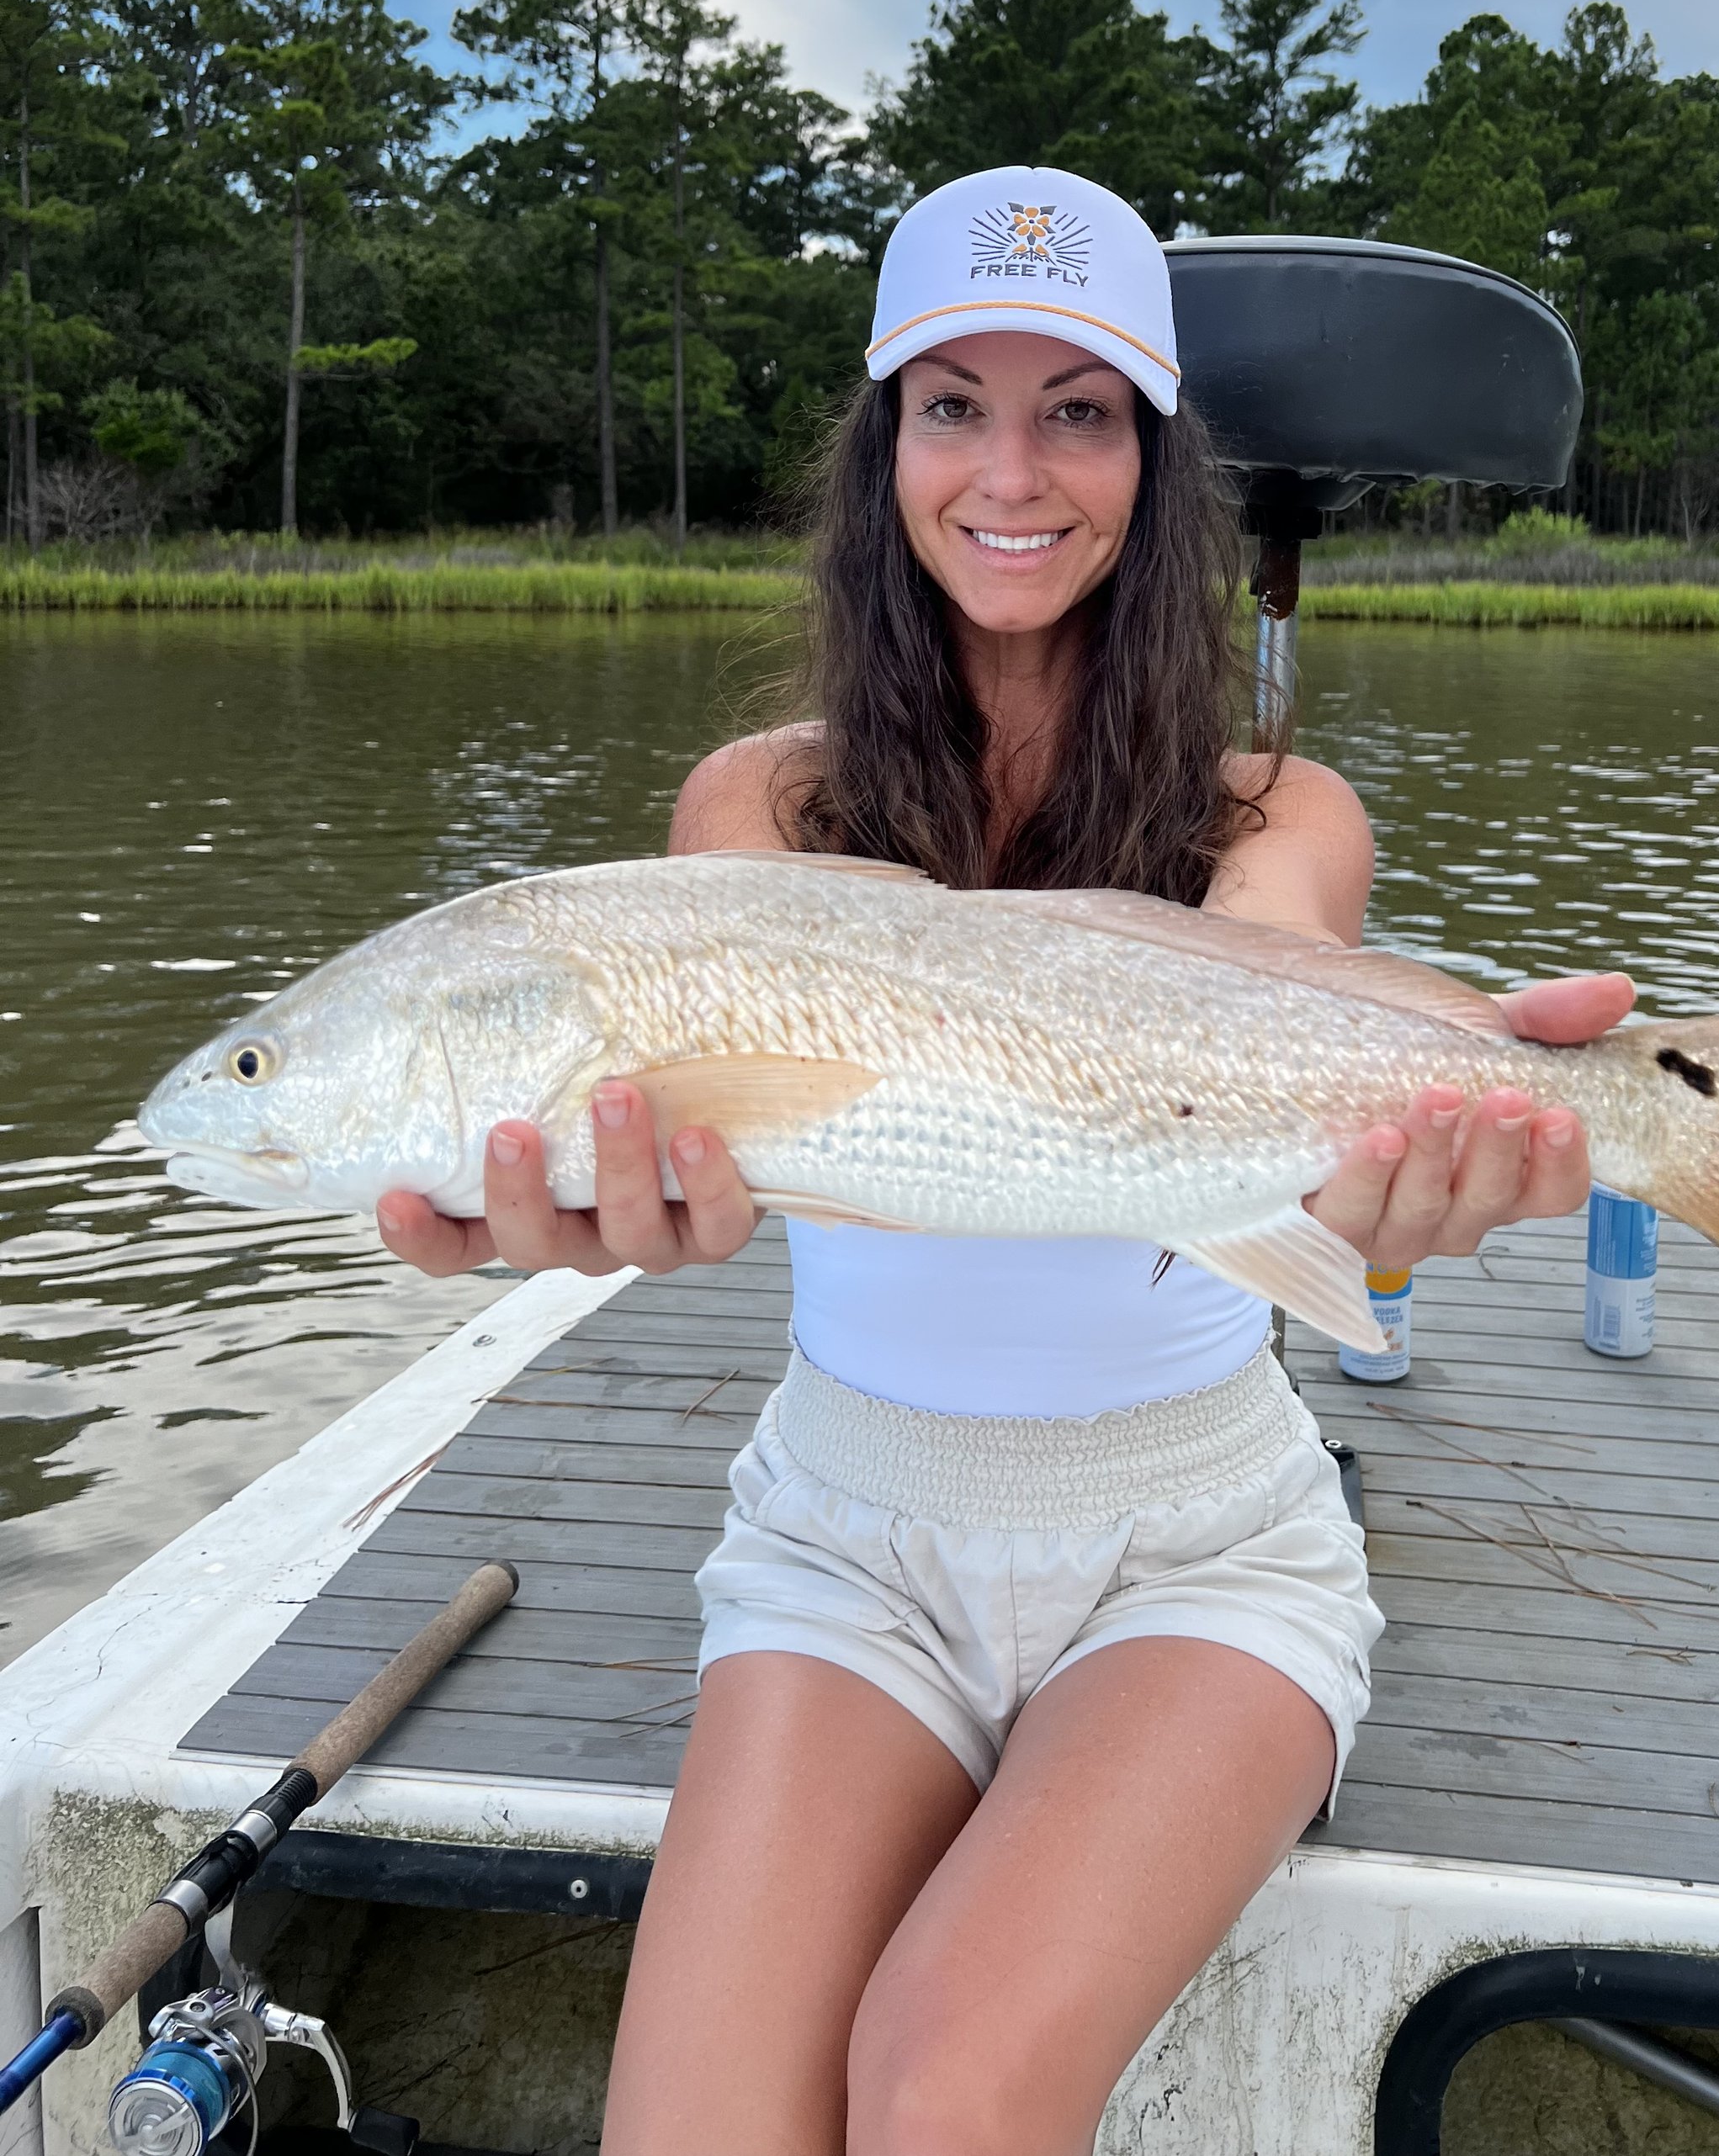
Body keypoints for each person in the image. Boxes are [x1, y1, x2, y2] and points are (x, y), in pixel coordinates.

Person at [377, 165, 1632, 2156]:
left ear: (1153, 451)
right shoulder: (752, 803)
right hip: (845, 1539)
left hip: (1196, 1544)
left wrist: (1444, 1106)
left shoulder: (1279, 804)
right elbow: (721, 1127)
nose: (1011, 467)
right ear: (886, 448)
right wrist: (570, 1203)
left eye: (1079, 405)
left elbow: (1284, 987)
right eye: (952, 402)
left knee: (947, 2089)